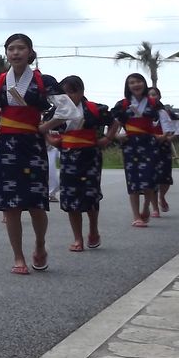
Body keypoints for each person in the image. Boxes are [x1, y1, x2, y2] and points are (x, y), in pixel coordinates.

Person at [0, 33, 81, 275]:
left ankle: (40, 244)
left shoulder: (44, 81)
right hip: (5, 147)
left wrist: (46, 126)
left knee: (36, 204)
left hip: (33, 147)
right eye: (11, 48)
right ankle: (18, 256)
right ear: (6, 53)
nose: (15, 53)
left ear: (30, 52)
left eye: (20, 48)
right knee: (10, 206)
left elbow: (71, 111)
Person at [48, 76, 117, 252]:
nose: (69, 96)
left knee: (90, 194)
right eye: (65, 93)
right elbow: (41, 126)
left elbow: (114, 122)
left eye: (72, 92)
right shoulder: (56, 111)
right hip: (68, 157)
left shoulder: (94, 109)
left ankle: (93, 230)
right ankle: (77, 237)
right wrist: (52, 140)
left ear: (81, 92)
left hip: (90, 156)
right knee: (71, 196)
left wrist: (107, 138)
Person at [111, 73, 170, 227]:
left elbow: (166, 125)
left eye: (138, 81)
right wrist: (117, 136)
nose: (136, 85)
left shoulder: (153, 103)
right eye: (132, 82)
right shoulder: (122, 105)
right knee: (133, 180)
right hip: (130, 145)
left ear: (144, 84)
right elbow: (111, 126)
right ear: (127, 86)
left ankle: (146, 207)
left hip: (149, 144)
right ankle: (136, 215)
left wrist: (162, 136)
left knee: (149, 178)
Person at [146, 87, 176, 216]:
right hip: (148, 147)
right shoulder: (142, 112)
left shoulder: (163, 112)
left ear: (159, 97)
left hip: (163, 147)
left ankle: (162, 196)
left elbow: (170, 129)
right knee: (151, 177)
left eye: (154, 94)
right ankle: (154, 208)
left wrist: (163, 137)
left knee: (165, 177)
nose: (152, 97)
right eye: (149, 95)